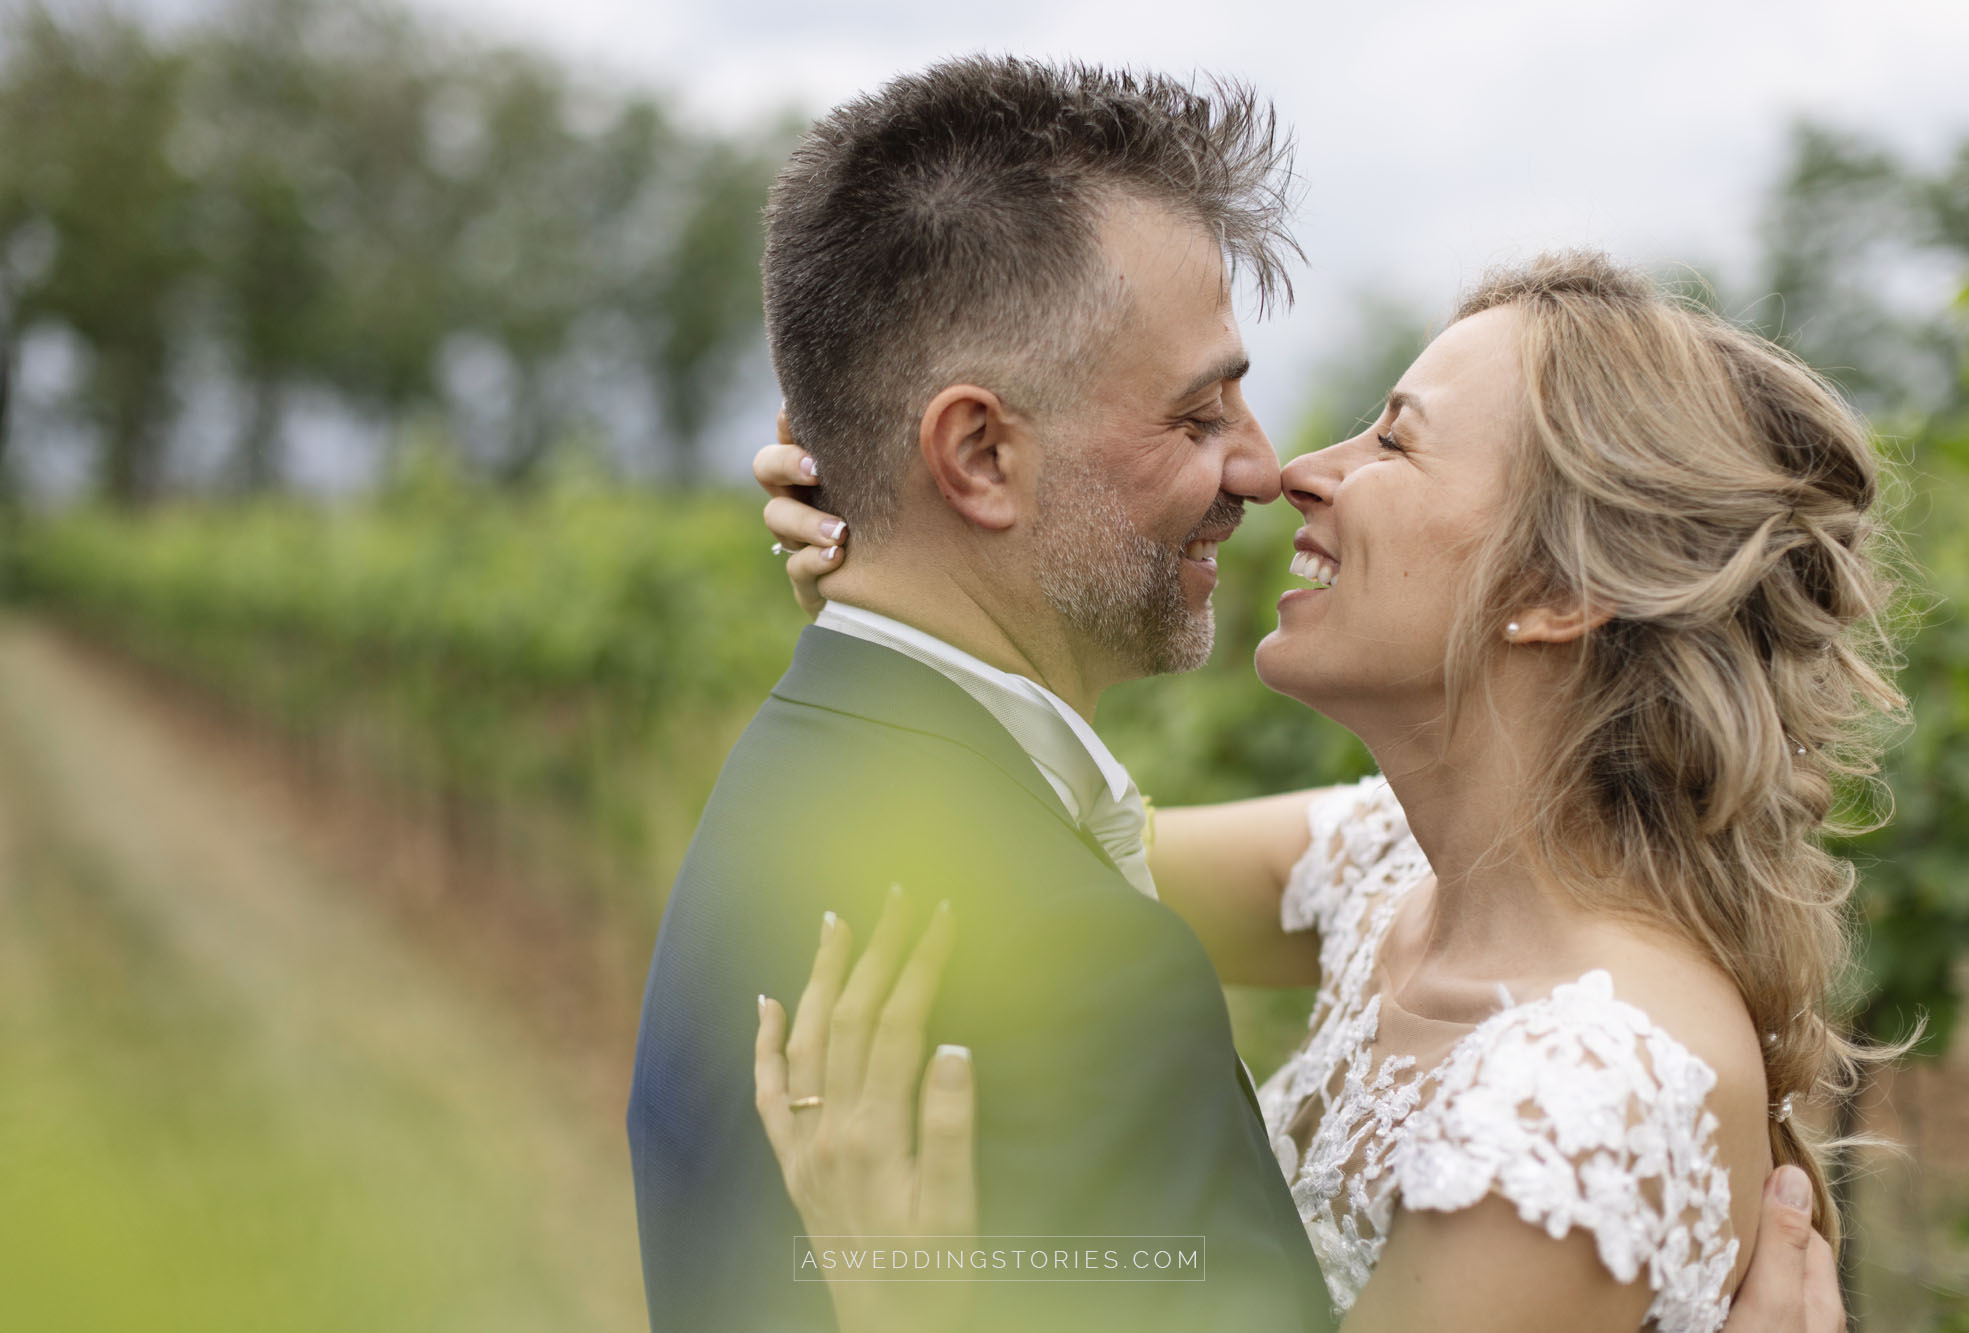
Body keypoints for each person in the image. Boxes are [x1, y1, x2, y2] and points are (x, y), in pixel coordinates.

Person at [748, 251, 1899, 1332]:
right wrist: (913, 581)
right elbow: (1051, 861)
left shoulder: (1577, 1100)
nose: (1298, 470)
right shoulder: (1390, 870)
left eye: (1392, 444)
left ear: (1558, 586)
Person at [629, 56, 1335, 1333]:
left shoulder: (796, 788)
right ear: (977, 453)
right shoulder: (1078, 970)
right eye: (1196, 414)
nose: (1264, 467)